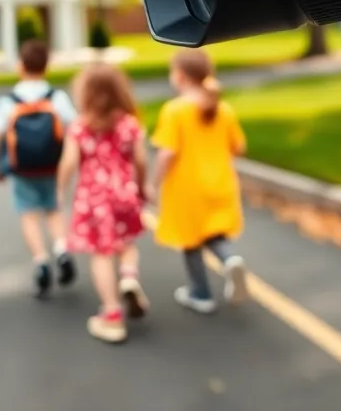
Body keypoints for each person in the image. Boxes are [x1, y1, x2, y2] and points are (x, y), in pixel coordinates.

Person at [147, 49, 250, 314]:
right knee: (214, 233)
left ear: (180, 76)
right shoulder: (223, 109)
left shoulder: (174, 110)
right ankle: (230, 259)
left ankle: (200, 294)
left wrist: (153, 183)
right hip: (221, 184)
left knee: (190, 241)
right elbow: (239, 147)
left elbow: (167, 153)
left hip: (187, 188)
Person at [58, 63, 148, 343]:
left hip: (93, 200)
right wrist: (143, 187)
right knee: (126, 244)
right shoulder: (129, 124)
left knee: (101, 254)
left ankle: (111, 316)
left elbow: (70, 162)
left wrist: (61, 188)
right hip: (124, 195)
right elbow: (141, 161)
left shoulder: (80, 128)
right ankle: (129, 277)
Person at [0, 39, 79, 297]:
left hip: (22, 169)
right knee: (54, 209)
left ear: (20, 66)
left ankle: (41, 261)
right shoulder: (57, 97)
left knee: (29, 214)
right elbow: (73, 129)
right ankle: (62, 248)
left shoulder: (9, 100)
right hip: (53, 165)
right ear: (46, 66)